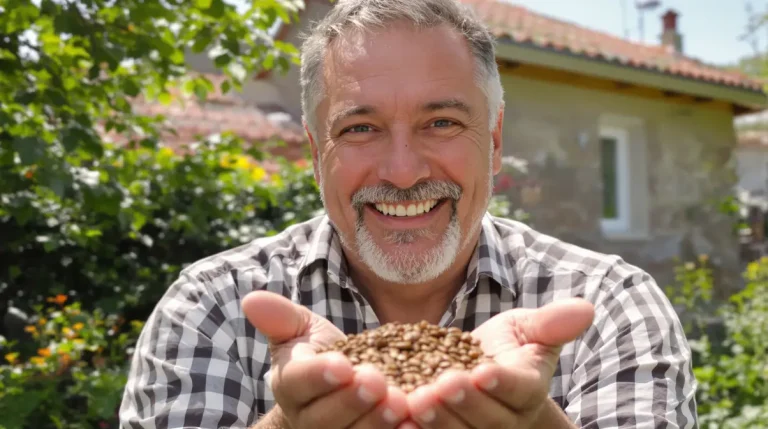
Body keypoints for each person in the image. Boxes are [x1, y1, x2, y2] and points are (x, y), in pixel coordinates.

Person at [119, 0, 698, 427]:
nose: (402, 172)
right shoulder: (211, 308)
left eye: (441, 123)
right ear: (316, 154)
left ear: (494, 143)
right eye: (360, 128)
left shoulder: (609, 305)